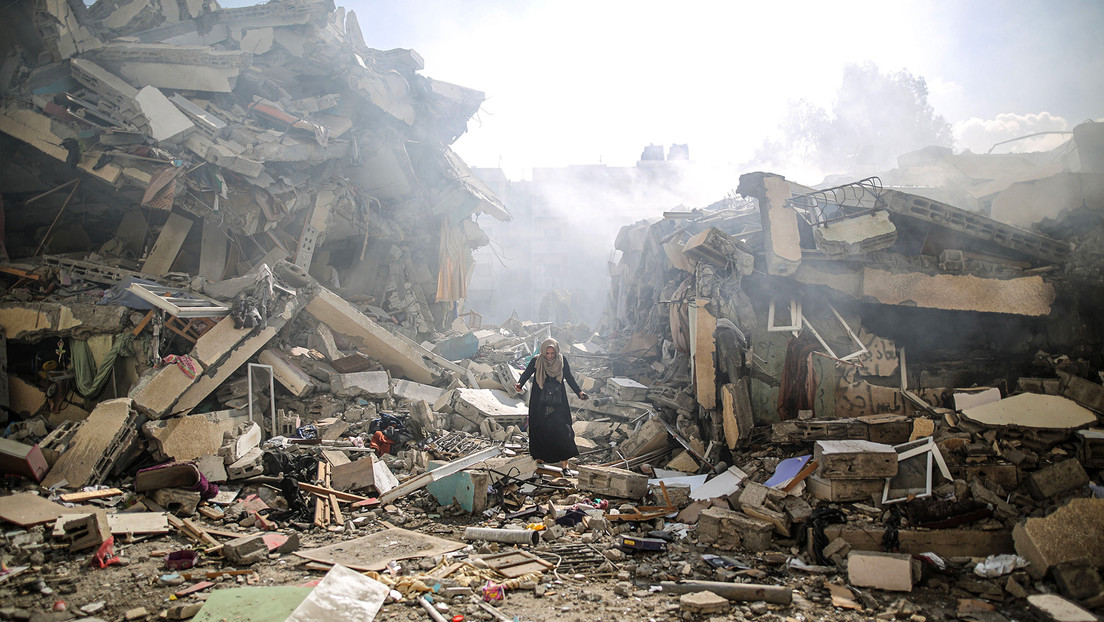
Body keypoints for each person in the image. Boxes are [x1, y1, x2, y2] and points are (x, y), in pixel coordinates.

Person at [515, 338, 588, 472]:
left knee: (562, 431)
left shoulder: (561, 361)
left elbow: (569, 377)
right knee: (540, 430)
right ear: (543, 352)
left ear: (556, 351)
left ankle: (564, 465)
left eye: (552, 353)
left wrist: (579, 392)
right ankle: (539, 460)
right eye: (547, 353)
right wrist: (520, 384)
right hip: (539, 402)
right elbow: (527, 373)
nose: (550, 356)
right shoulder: (537, 361)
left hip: (558, 401)